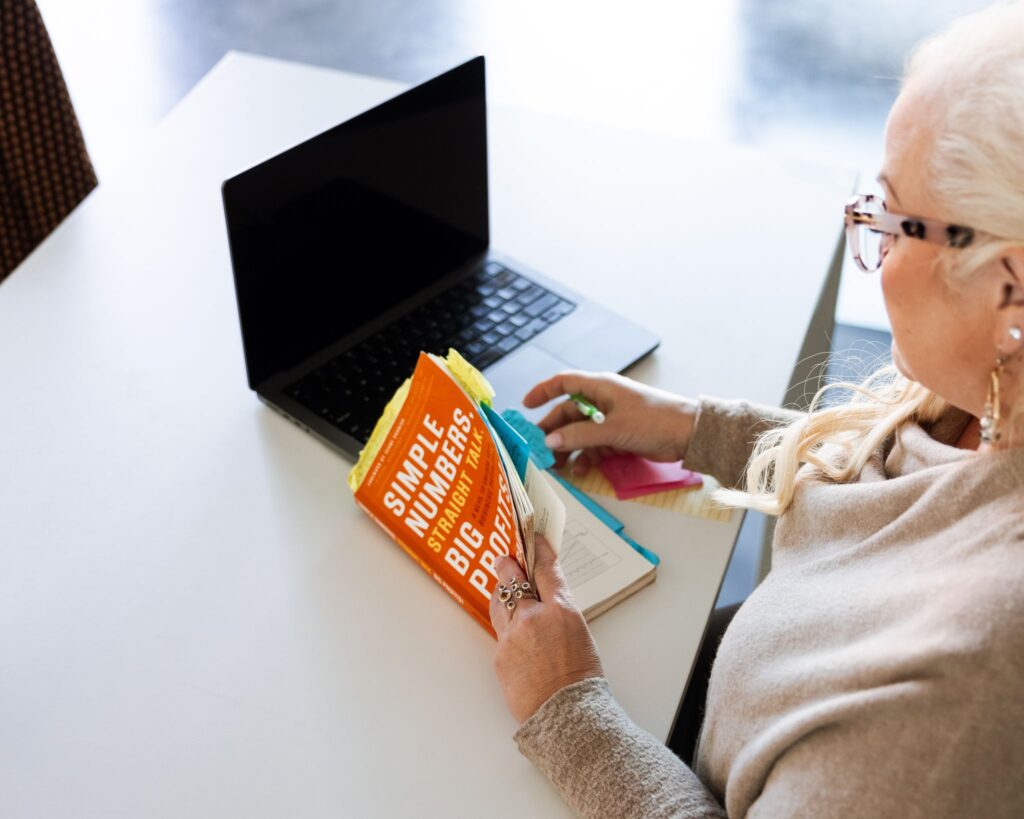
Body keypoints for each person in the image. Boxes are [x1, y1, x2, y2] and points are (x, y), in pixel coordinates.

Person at [487, 3, 1024, 816]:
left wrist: (569, 708)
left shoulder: (953, 700)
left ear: (1009, 287)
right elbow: (885, 484)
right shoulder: (986, 395)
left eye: (894, 218)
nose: (870, 243)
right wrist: (689, 427)